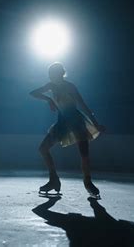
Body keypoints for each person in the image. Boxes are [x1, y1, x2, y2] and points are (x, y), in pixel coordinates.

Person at [29, 62, 105, 198]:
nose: (51, 76)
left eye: (53, 73)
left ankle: (88, 182)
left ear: (61, 73)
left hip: (76, 120)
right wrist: (48, 100)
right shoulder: (50, 86)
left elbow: (83, 105)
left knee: (84, 154)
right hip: (62, 122)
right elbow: (33, 93)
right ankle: (53, 179)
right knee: (43, 148)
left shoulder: (70, 87)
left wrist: (96, 124)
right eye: (50, 74)